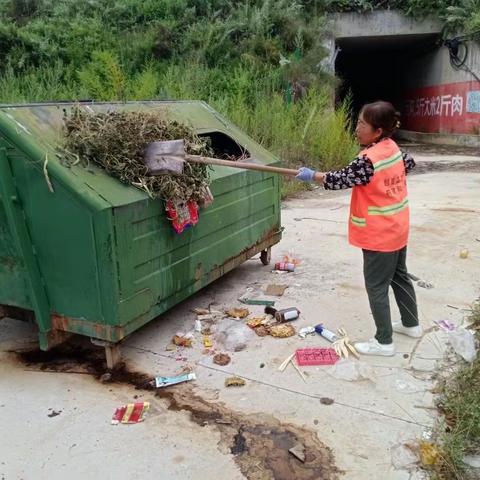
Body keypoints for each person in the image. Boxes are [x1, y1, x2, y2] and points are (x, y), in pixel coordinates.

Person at [296, 100, 422, 356]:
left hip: (379, 234)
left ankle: (383, 342)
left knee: (376, 286)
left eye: (362, 124)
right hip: (398, 227)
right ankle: (411, 325)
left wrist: (313, 175)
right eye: (357, 122)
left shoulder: (369, 159)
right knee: (400, 277)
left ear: (377, 131)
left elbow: (339, 178)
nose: (356, 128)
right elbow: (409, 164)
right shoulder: (393, 148)